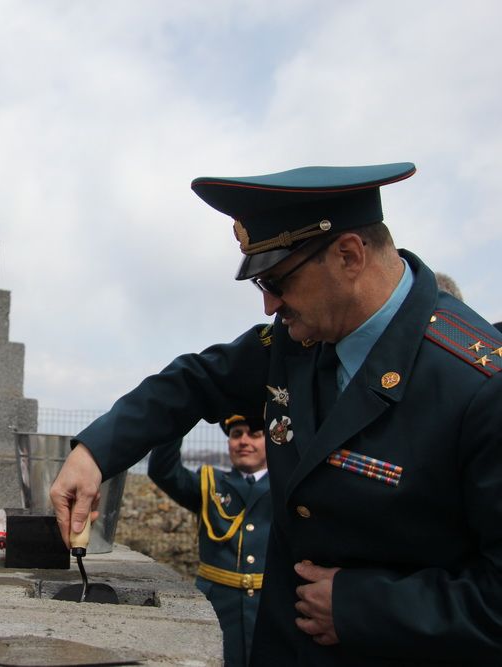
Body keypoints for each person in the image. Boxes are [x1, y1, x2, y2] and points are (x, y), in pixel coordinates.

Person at [51, 162, 502, 666]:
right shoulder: (299, 341)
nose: (269, 307)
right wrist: (93, 454)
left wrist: (362, 607)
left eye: (277, 281)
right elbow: (194, 381)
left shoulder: (479, 384)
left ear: (349, 256)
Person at [148, 414, 270, 666]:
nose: (244, 441)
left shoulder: (288, 487)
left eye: (255, 435)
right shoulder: (210, 484)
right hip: (218, 609)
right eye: (236, 435)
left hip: (271, 610)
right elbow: (163, 470)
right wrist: (181, 415)